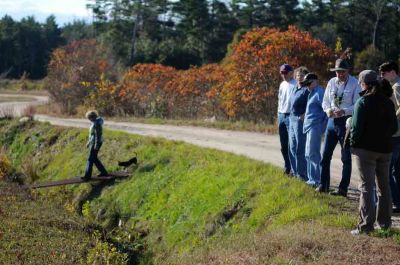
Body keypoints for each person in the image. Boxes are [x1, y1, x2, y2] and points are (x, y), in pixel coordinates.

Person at [350, 70, 397, 235]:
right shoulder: (388, 102)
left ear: (364, 84)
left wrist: (352, 144)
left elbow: (356, 129)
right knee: (384, 187)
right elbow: (394, 128)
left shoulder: (363, 101)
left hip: (366, 151)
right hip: (385, 150)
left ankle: (365, 226)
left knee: (366, 187)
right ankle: (384, 223)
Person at [317, 58, 361, 197]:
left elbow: (357, 104)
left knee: (345, 158)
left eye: (342, 72)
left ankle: (343, 189)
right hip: (332, 122)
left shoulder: (355, 83)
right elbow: (325, 101)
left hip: (345, 122)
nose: (340, 74)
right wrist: (328, 110)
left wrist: (344, 111)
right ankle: (323, 185)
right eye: (337, 72)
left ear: (348, 71)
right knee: (325, 156)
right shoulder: (331, 82)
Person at [379, 61, 400, 213]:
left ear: (392, 72)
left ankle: (396, 202)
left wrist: (391, 118)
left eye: (383, 73)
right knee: (396, 169)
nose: (382, 76)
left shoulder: (397, 86)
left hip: (396, 133)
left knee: (390, 168)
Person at [302, 73, 327, 186]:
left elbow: (326, 110)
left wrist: (322, 127)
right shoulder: (311, 92)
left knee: (313, 153)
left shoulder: (319, 92)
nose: (307, 86)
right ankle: (310, 179)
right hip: (309, 126)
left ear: (315, 81)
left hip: (315, 126)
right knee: (308, 153)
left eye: (309, 83)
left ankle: (316, 180)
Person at [288, 66, 309, 180]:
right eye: (297, 76)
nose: (299, 78)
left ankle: (302, 175)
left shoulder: (307, 89)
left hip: (300, 120)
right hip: (291, 118)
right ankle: (294, 172)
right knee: (292, 147)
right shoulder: (295, 87)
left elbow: (311, 104)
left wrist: (304, 114)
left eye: (301, 75)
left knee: (300, 148)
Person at [277, 64, 297, 175]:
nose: (283, 75)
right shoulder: (282, 84)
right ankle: (287, 166)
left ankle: (294, 169)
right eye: (281, 73)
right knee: (283, 145)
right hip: (281, 116)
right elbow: (280, 100)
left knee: (292, 145)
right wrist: (278, 115)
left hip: (291, 116)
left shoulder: (296, 84)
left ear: (291, 72)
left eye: (285, 72)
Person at [82, 110, 108, 180]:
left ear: (91, 117)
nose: (88, 120)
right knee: (95, 159)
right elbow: (92, 135)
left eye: (88, 118)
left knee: (90, 159)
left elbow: (98, 135)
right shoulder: (94, 122)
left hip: (96, 142)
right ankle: (104, 172)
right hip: (94, 142)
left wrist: (96, 145)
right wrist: (88, 142)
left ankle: (87, 176)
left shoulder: (97, 123)